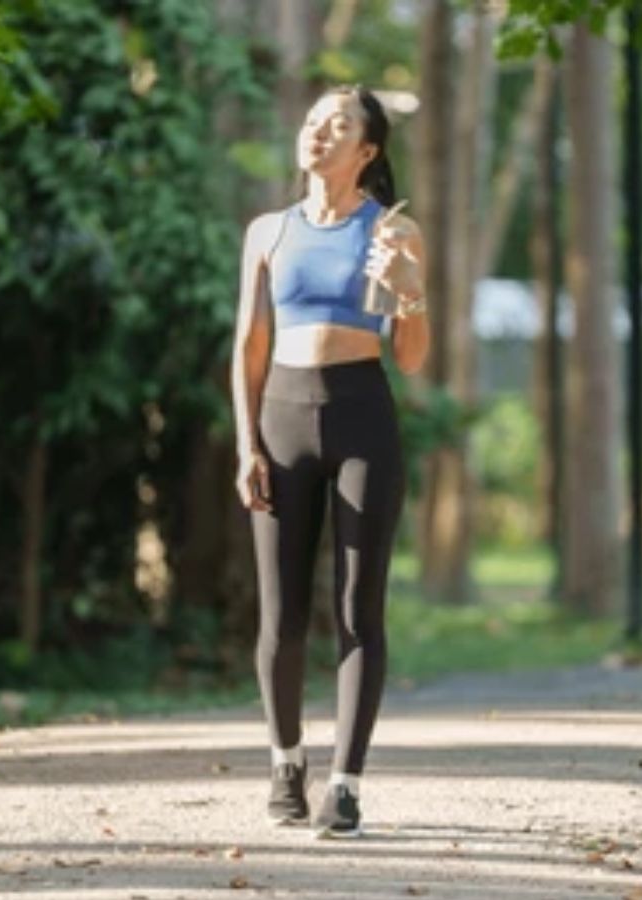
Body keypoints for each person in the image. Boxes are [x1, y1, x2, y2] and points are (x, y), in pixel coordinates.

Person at [229, 84, 430, 839]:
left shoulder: (393, 230)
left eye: (337, 125)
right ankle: (286, 764)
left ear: (366, 151)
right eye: (313, 120)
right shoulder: (268, 232)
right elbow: (249, 345)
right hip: (280, 418)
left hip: (361, 417)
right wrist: (247, 443)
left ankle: (344, 785)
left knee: (356, 611)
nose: (317, 132)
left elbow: (411, 359)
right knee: (281, 615)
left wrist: (411, 294)